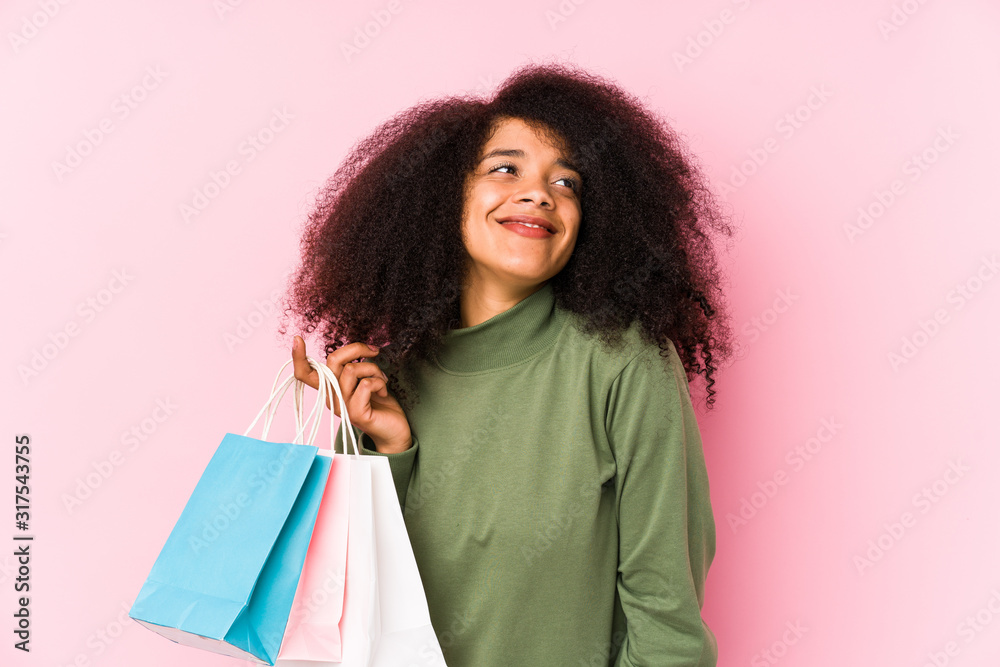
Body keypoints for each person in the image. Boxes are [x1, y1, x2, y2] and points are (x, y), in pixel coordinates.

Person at [280, 62, 735, 666]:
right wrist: (389, 451)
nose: (539, 193)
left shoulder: (623, 364)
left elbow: (664, 616)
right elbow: (349, 610)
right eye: (505, 168)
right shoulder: (389, 383)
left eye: (567, 182)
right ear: (447, 196)